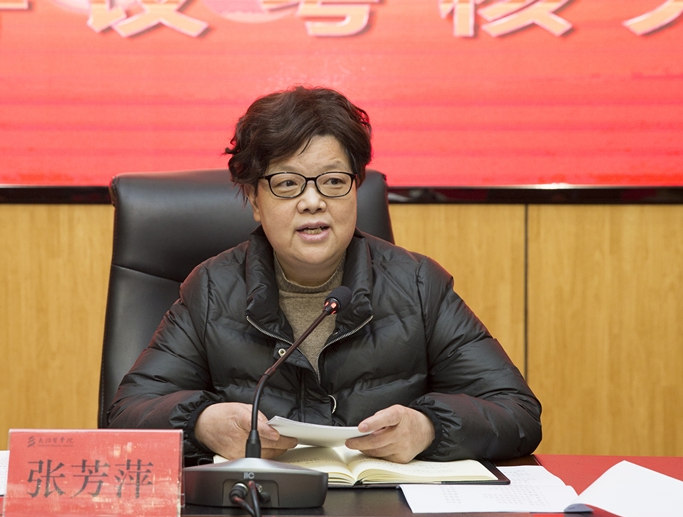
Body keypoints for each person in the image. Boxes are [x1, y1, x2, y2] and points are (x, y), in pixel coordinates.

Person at [108, 86, 542, 466]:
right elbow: (127, 413)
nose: (313, 201)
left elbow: (517, 411)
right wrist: (201, 423)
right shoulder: (211, 291)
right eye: (287, 183)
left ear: (356, 189)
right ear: (254, 200)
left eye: (333, 181)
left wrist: (429, 428)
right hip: (260, 511)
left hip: (382, 515)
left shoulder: (417, 284)